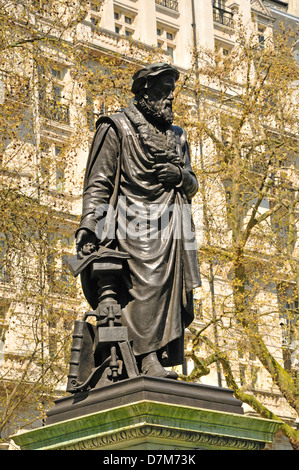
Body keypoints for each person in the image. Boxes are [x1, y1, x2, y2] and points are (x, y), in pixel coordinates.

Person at [76, 63, 201, 379]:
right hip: (131, 225)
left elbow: (193, 183)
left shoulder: (178, 136)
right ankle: (144, 359)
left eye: (171, 93)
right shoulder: (116, 127)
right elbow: (99, 180)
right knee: (143, 286)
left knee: (167, 291)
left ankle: (155, 356)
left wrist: (180, 176)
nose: (169, 99)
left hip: (172, 224)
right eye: (162, 92)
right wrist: (90, 224)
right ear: (144, 92)